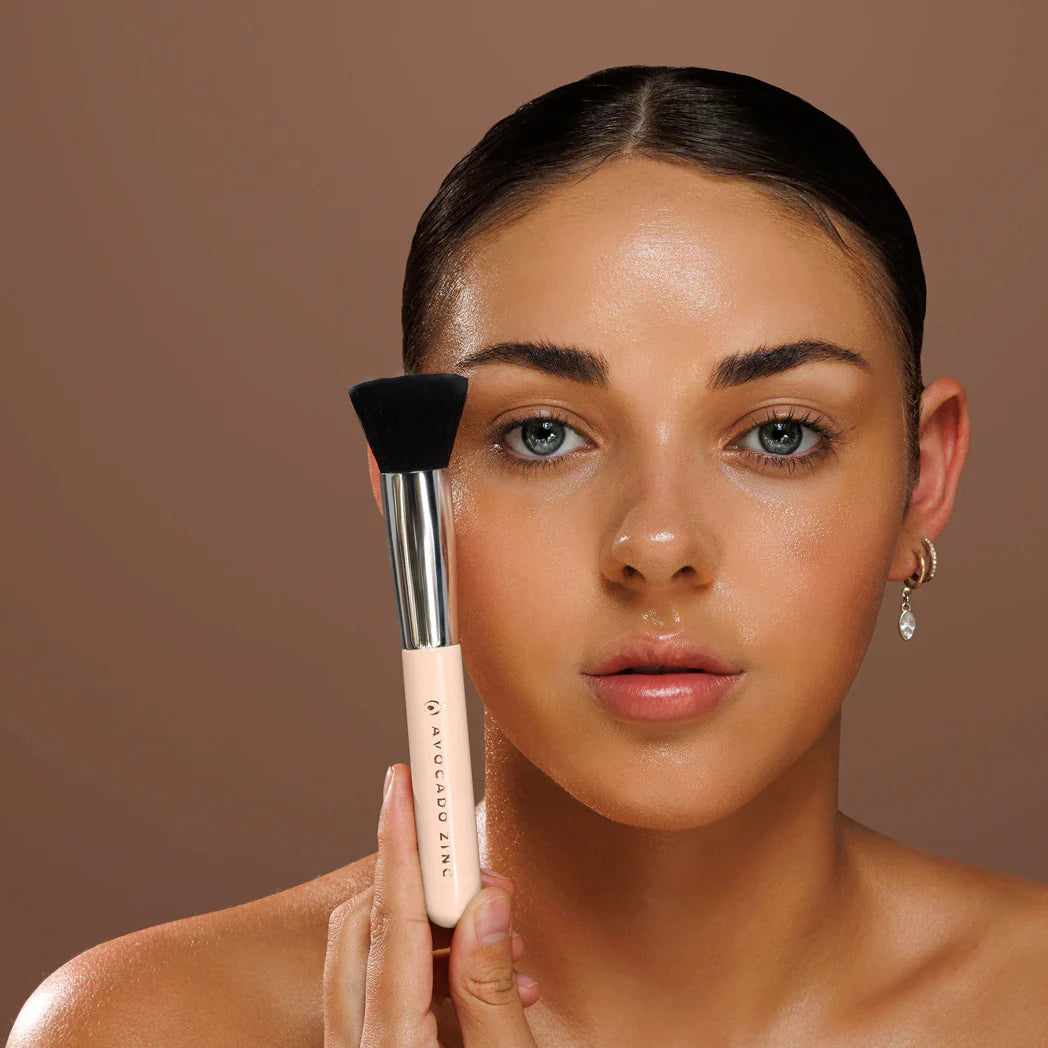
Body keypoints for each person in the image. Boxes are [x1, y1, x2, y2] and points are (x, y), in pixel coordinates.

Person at [9, 64, 1048, 1048]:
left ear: (920, 479)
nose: (655, 545)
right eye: (542, 434)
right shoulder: (153, 1025)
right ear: (413, 495)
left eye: (778, 433)